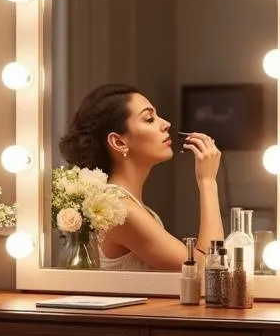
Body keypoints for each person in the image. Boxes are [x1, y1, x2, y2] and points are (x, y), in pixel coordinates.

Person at [58, 83, 223, 271]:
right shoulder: (120, 211)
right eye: (149, 119)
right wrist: (208, 182)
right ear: (119, 142)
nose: (166, 124)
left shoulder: (128, 206)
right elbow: (207, 269)